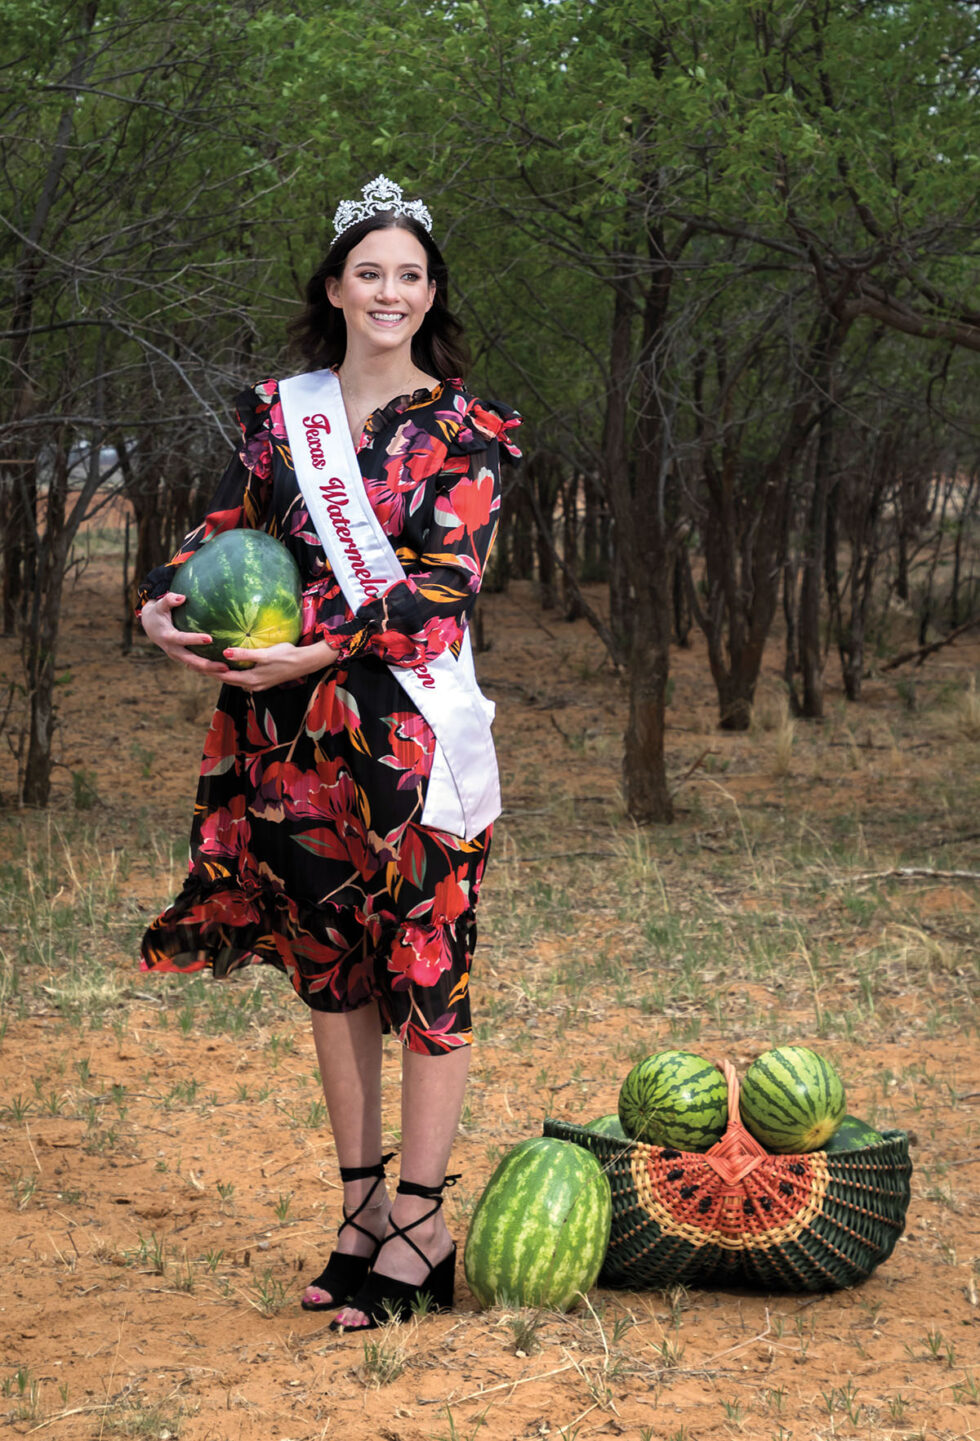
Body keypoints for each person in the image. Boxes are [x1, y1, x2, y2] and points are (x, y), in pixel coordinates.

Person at [137, 175, 521, 1331]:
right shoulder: (277, 413)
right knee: (330, 971)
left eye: (408, 274)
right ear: (334, 287)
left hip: (404, 735)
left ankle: (422, 1222)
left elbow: (442, 593)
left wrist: (311, 654)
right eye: (369, 272)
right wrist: (164, 600)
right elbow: (222, 534)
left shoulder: (468, 432)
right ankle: (358, 1212)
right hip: (288, 741)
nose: (388, 292)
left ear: (431, 291)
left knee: (422, 968)